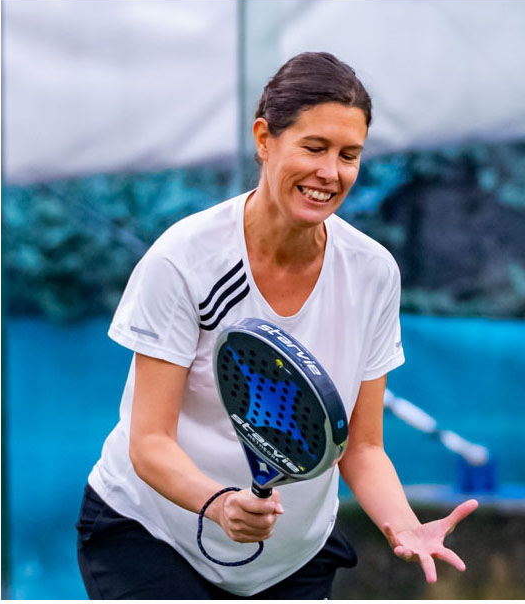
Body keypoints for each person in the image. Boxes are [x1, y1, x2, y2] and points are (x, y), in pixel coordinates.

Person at [76, 52, 478, 599]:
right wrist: (220, 505)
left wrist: (403, 526)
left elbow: (361, 447)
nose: (330, 172)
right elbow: (149, 443)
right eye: (314, 147)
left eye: (349, 155)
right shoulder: (183, 259)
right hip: (150, 536)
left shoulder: (374, 273)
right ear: (264, 139)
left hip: (291, 560)